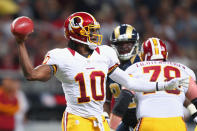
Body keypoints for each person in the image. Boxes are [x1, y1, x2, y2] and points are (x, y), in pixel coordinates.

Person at [12, 12, 187, 131]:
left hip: (100, 119)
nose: (96, 34)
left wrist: (164, 84)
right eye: (91, 31)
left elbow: (130, 82)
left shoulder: (105, 53)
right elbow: (31, 75)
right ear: (77, 34)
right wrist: (21, 43)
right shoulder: (61, 56)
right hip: (77, 119)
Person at [124, 37, 197, 131]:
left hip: (148, 122)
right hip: (177, 123)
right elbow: (185, 96)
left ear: (142, 55)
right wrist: (194, 113)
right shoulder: (184, 70)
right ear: (166, 55)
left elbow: (124, 101)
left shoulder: (134, 69)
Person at [105, 24, 141, 131]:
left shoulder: (144, 64)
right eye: (120, 44)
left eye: (128, 44)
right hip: (124, 121)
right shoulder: (109, 66)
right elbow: (106, 100)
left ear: (135, 44)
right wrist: (107, 119)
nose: (124, 47)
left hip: (145, 119)